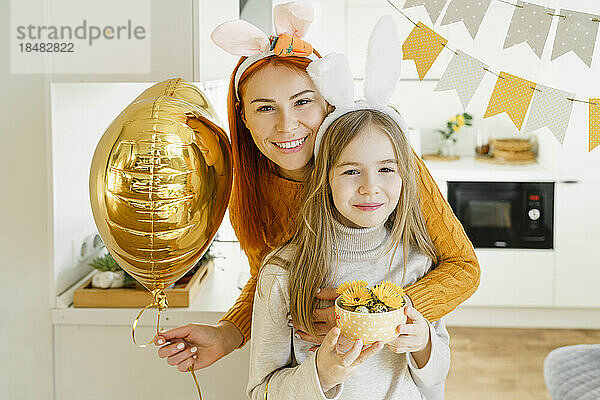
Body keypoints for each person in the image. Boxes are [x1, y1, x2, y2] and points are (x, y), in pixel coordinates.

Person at [154, 2, 478, 379]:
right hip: (312, 375)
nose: (286, 125)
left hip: (395, 372)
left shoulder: (385, 162)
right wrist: (229, 334)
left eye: (302, 102)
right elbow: (269, 276)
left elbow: (463, 268)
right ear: (243, 117)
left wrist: (375, 314)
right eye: (264, 108)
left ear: (328, 100)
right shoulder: (252, 190)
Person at [249, 24, 450, 397]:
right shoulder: (282, 273)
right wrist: (321, 373)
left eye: (387, 169)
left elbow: (435, 378)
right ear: (324, 176)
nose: (371, 186)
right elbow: (261, 392)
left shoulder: (419, 264)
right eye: (351, 170)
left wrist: (423, 341)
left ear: (406, 177)